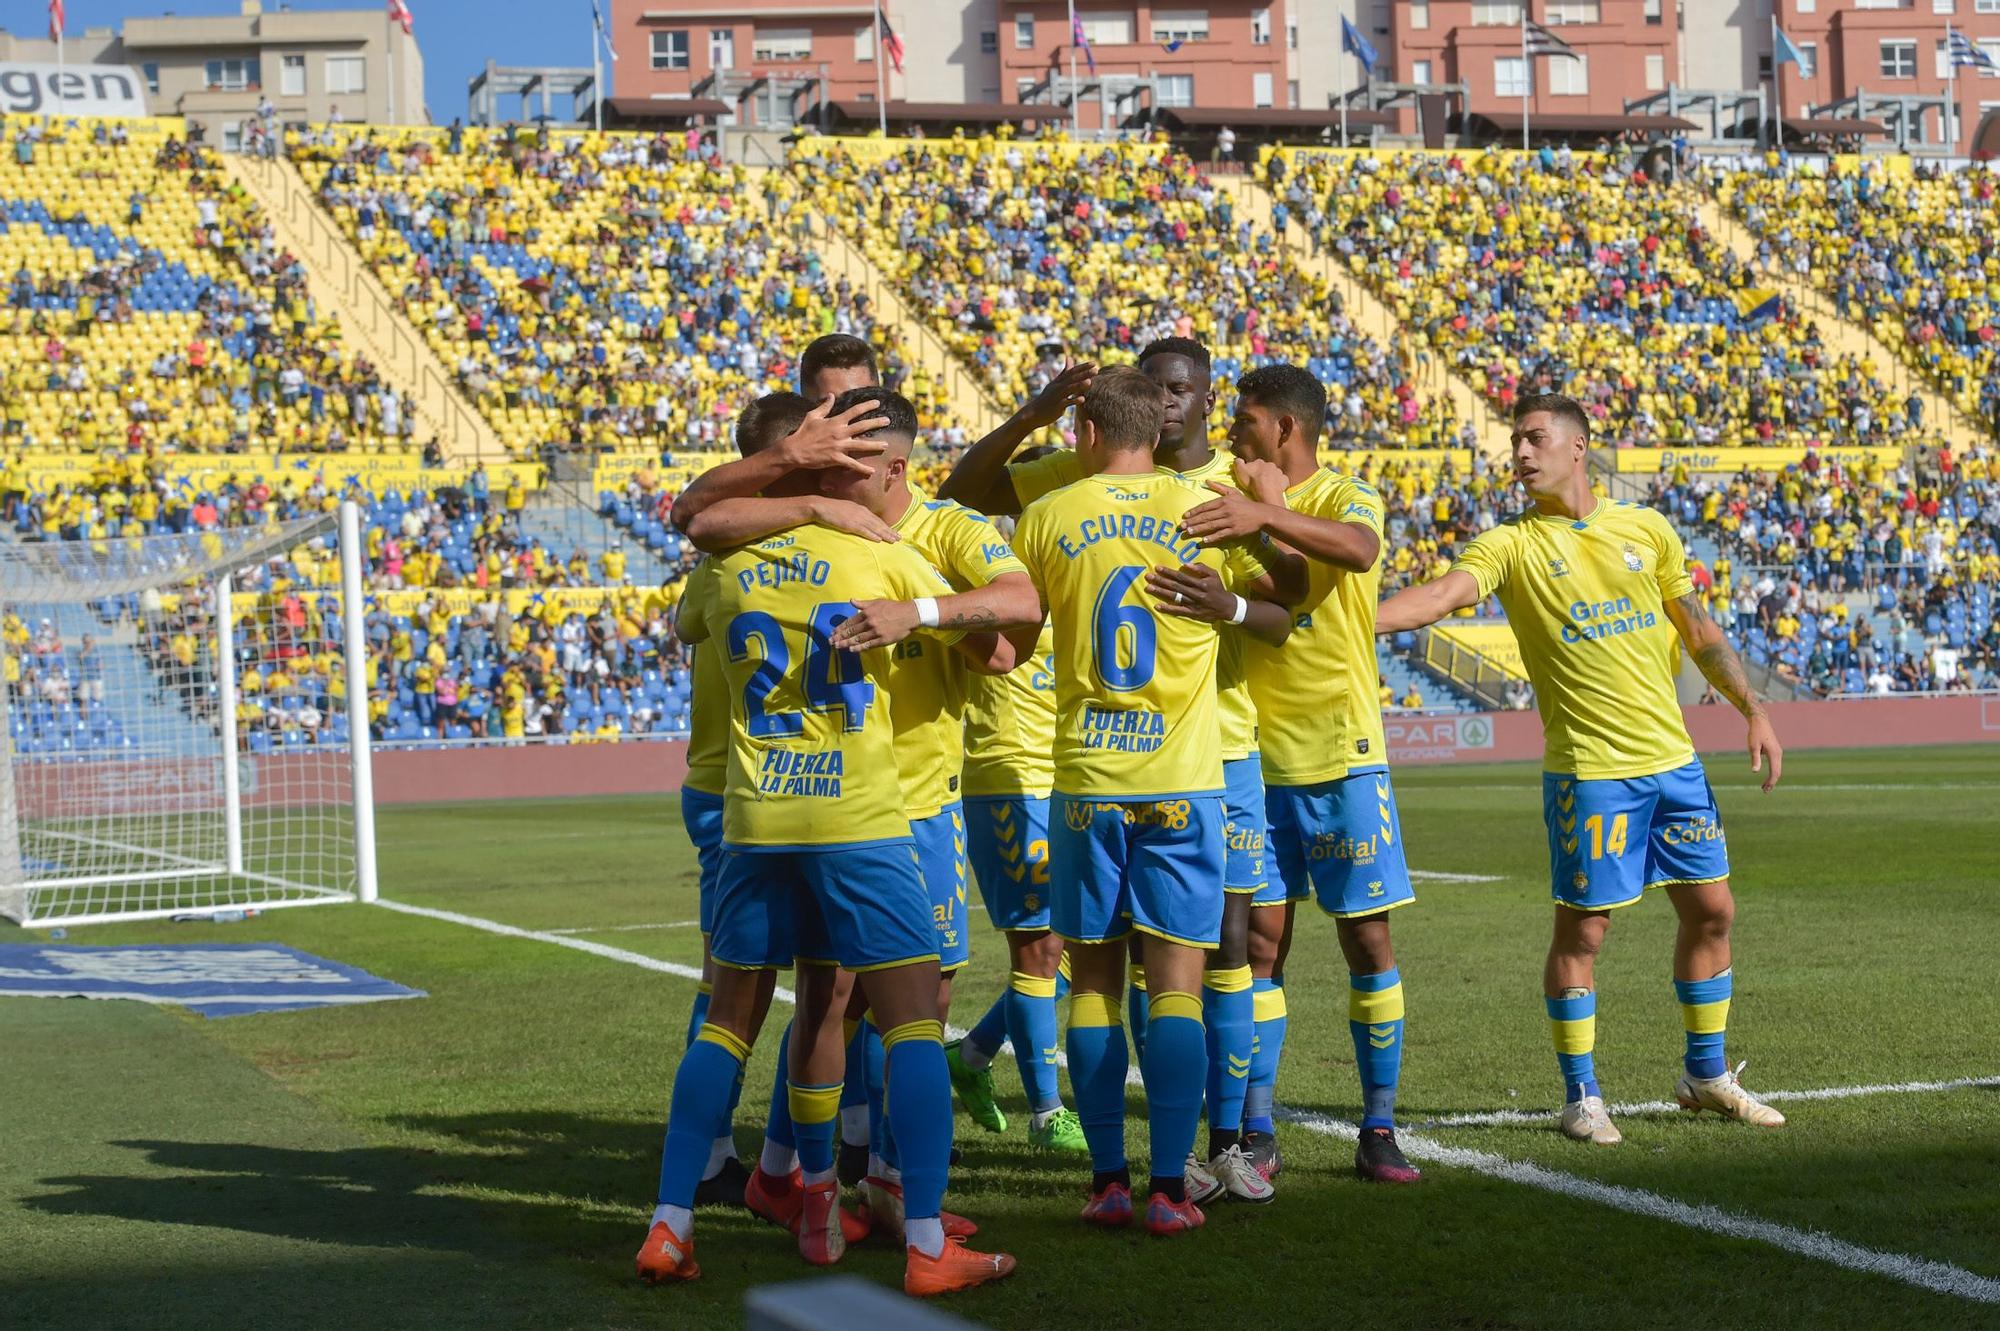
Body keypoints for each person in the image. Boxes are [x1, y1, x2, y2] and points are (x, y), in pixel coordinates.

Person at [640, 397, 1017, 1299]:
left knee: (729, 1021)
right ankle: (926, 1242)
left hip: (758, 819)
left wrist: (786, 504)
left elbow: (694, 529)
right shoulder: (884, 556)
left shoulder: (723, 557)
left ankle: (669, 1226)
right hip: (860, 817)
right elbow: (1000, 648)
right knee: (913, 1023)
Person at [1376, 393, 1786, 1145]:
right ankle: (1582, 1095)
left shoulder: (1647, 528)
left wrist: (1752, 708)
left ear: (1578, 446)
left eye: (1534, 438)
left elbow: (1695, 629)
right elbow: (1440, 596)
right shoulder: (1511, 544)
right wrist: (1351, 618)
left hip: (1674, 765)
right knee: (1584, 932)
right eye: (1515, 442)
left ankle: (1706, 1072)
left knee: (1714, 911)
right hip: (1591, 771)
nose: (1520, 453)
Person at [942, 338, 1290, 1204]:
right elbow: (1292, 600)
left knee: (1093, 981)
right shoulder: (1208, 504)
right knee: (1178, 984)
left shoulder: (1050, 515)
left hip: (1087, 783)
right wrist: (1240, 592)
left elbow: (1013, 619)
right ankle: (1172, 1186)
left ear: (1088, 431)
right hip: (1185, 779)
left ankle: (1106, 1181)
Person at [1174, 363, 1420, 1185]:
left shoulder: (1347, 496)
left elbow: (1358, 551)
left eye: (1245, 418)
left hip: (1340, 752)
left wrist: (1263, 512)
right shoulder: (1225, 501)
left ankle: (1378, 1125)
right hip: (1251, 755)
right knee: (1262, 946)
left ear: (1285, 426)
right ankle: (1257, 1123)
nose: (1234, 431)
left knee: (1366, 938)